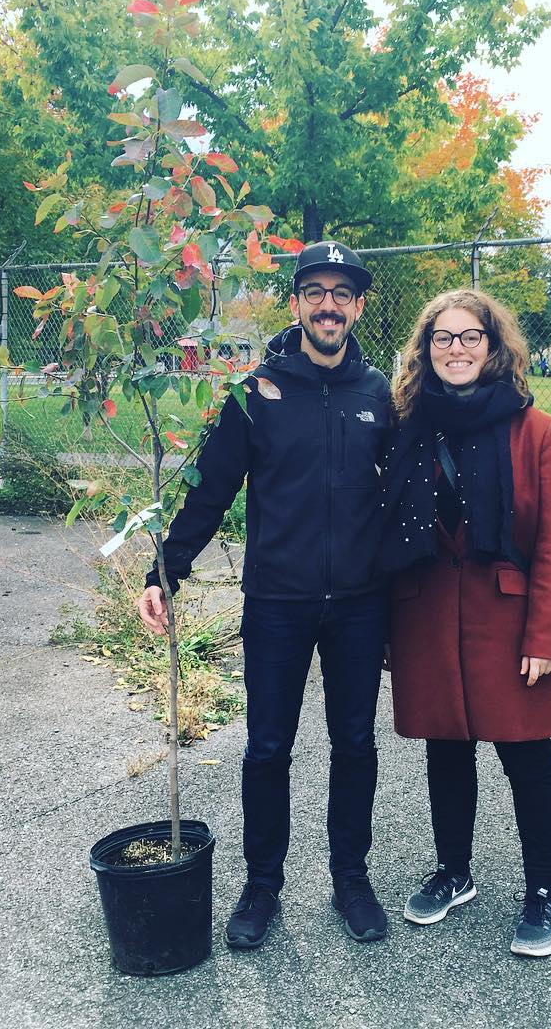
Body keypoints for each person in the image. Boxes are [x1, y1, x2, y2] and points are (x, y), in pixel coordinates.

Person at [137, 241, 391, 949]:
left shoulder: (379, 396)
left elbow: (405, 501)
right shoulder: (254, 394)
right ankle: (262, 886)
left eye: (343, 292)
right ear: (297, 304)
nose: (329, 304)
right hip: (278, 601)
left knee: (356, 743)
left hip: (361, 605)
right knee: (267, 749)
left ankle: (352, 878)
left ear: (359, 307)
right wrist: (165, 571)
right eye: (316, 291)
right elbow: (210, 492)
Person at [379, 288, 551, 958]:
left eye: (470, 337)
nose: (455, 349)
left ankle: (544, 891)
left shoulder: (537, 431)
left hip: (511, 618)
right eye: (443, 338)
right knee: (446, 747)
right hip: (428, 615)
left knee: (527, 757)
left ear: (493, 348)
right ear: (425, 350)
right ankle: (454, 872)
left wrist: (546, 636)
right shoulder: (408, 427)